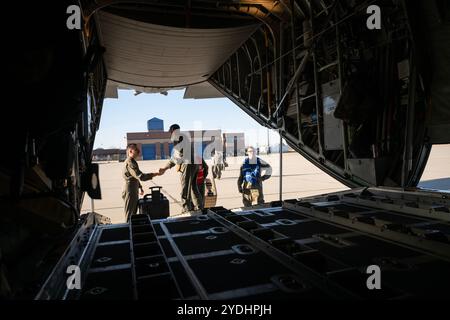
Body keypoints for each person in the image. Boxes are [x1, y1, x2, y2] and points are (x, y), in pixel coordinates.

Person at [158, 124, 202, 213]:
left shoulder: (176, 136)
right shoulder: (185, 137)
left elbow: (177, 156)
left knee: (185, 188)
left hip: (187, 164)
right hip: (195, 164)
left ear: (172, 130)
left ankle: (186, 209)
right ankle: (199, 207)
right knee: (193, 187)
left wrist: (166, 168)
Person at [122, 143, 158, 221]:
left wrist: (140, 187)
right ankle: (128, 230)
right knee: (130, 215)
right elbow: (140, 176)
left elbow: (134, 177)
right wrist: (154, 174)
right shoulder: (130, 162)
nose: (138, 151)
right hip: (130, 190)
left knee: (133, 213)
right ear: (130, 151)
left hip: (133, 189)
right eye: (136, 149)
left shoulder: (132, 161)